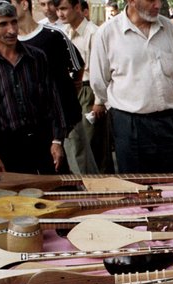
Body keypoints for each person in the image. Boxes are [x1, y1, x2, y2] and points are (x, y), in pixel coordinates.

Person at [90, 0, 173, 174]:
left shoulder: (168, 27)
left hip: (171, 121)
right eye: (151, 0)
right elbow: (99, 82)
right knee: (141, 189)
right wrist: (124, 107)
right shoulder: (107, 33)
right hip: (131, 126)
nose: (158, 5)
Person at [0, 1, 66, 174]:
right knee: (20, 198)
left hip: (44, 142)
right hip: (10, 148)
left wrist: (57, 140)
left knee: (56, 193)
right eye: (3, 24)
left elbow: (53, 101)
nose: (11, 30)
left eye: (14, 22)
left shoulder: (37, 57)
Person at [10, 0, 84, 174]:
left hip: (67, 118)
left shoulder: (53, 35)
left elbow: (77, 66)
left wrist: (70, 93)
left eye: (10, 3)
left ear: (24, 4)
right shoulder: (10, 43)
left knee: (82, 167)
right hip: (37, 126)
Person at [56, 0, 113, 174]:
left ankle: (103, 183)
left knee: (94, 144)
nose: (60, 14)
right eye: (58, 9)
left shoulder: (94, 33)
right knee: (77, 143)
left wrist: (99, 100)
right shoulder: (64, 32)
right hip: (74, 89)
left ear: (78, 8)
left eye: (64, 9)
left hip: (90, 90)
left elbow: (101, 69)